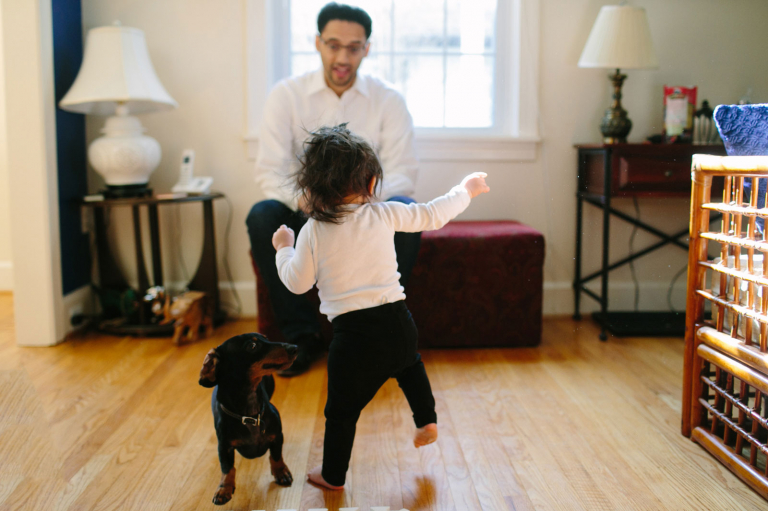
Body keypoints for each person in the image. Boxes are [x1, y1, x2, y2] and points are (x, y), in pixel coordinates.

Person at [271, 124, 490, 490]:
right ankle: (426, 420)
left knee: (341, 411)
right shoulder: (384, 213)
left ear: (311, 190)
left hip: (353, 336)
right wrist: (464, 190)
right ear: (371, 184)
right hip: (398, 319)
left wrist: (283, 248)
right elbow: (432, 214)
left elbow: (297, 283)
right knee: (409, 364)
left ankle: (333, 475)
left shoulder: (312, 231)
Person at [247, 2, 420, 376]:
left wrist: (359, 205)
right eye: (333, 44)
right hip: (305, 206)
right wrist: (309, 201)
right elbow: (271, 170)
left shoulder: (388, 100)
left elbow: (402, 172)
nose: (343, 56)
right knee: (262, 215)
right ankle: (302, 338)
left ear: (367, 49)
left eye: (354, 47)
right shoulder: (286, 95)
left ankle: (378, 335)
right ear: (318, 43)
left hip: (368, 210)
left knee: (406, 205)